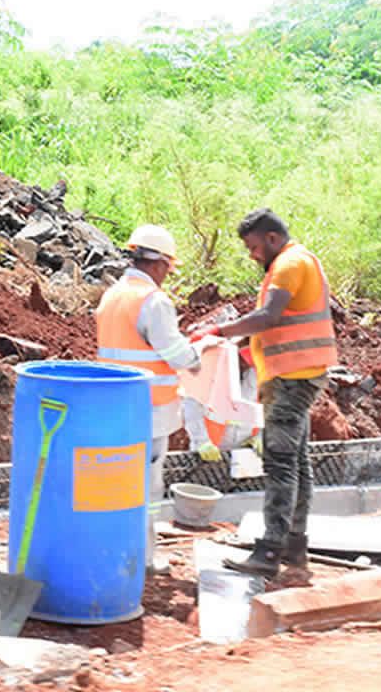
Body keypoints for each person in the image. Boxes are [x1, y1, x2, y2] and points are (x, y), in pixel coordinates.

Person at [189, 208, 337, 578]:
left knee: (280, 462)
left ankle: (270, 551)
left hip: (292, 379)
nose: (252, 254)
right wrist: (244, 351)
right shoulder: (298, 261)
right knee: (297, 463)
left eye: (254, 247)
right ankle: (293, 548)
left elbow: (269, 317)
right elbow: (281, 326)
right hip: (299, 374)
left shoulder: (288, 264)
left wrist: (218, 332)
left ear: (272, 238)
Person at [94, 224, 200, 574]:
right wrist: (198, 354)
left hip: (112, 406)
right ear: (158, 264)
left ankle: (108, 550)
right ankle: (143, 558)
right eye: (169, 268)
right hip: (149, 410)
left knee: (114, 481)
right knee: (147, 492)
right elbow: (175, 353)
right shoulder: (153, 301)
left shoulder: (112, 295)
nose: (168, 275)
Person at [183, 346, 260, 460]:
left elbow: (267, 406)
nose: (244, 365)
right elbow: (192, 407)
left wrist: (260, 437)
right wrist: (202, 441)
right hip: (210, 449)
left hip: (245, 448)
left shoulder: (256, 373)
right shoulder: (209, 369)